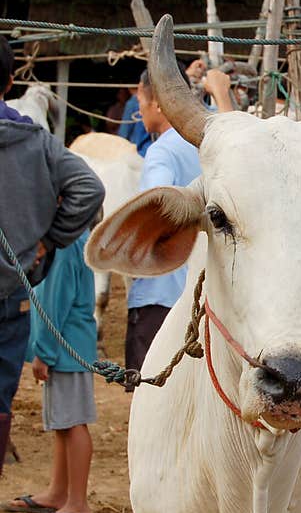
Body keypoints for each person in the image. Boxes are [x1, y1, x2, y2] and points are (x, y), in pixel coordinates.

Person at [0, 36, 105, 477]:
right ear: (9, 83)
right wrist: (45, 240)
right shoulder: (37, 143)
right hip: (11, 294)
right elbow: (90, 189)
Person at [123, 63, 230, 391]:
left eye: (141, 101)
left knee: (152, 395)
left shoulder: (162, 152)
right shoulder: (221, 137)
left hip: (162, 293)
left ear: (158, 103)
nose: (139, 110)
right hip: (213, 296)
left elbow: (157, 212)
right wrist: (223, 95)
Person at [1, 226, 99, 513]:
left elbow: (54, 302)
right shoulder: (70, 240)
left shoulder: (65, 245)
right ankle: (59, 492)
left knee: (73, 422)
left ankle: (79, 503)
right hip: (67, 347)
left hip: (65, 348)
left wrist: (44, 351)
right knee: (62, 423)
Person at [117, 86, 153, 157]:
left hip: (138, 153)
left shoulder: (132, 103)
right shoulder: (153, 100)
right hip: (150, 149)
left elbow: (123, 134)